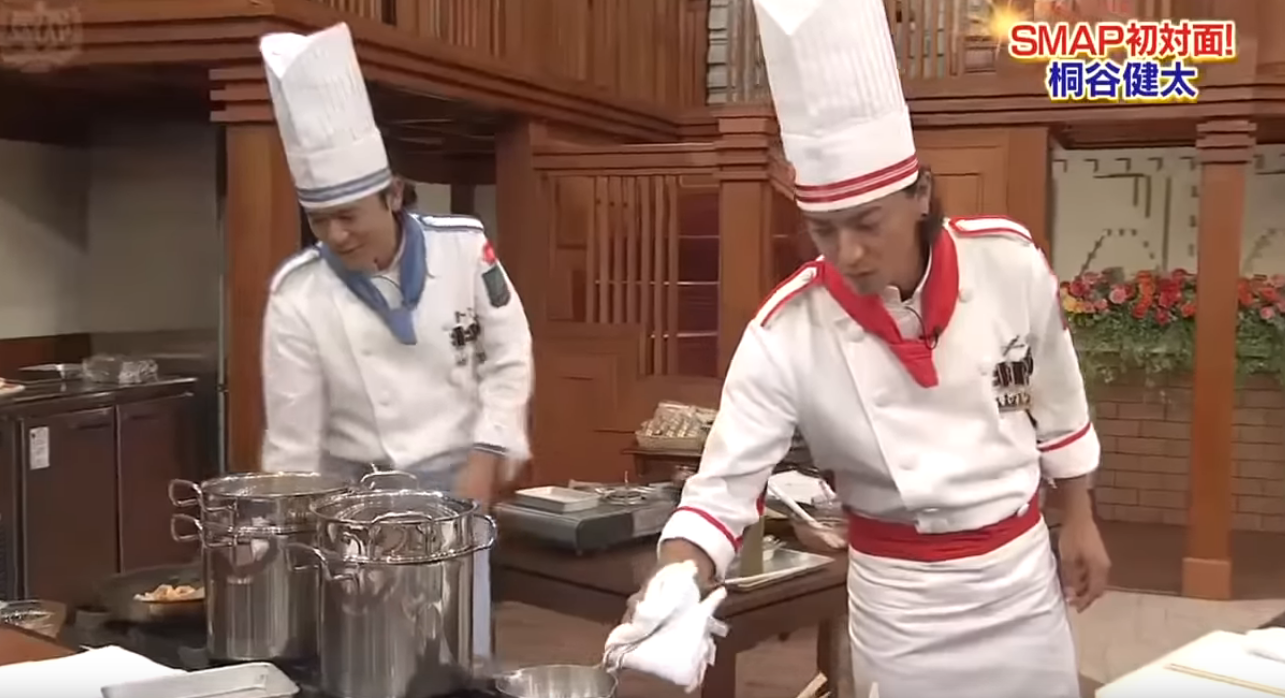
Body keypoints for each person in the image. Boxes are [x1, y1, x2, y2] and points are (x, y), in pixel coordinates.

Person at [640, 1, 1110, 696]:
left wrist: (1078, 519)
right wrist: (674, 583)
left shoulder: (1007, 265)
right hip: (900, 604)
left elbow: (1058, 401)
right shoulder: (785, 333)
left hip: (1018, 583)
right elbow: (720, 493)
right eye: (822, 232)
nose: (848, 254)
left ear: (919, 195)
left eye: (866, 224)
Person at [255, 23, 534, 660]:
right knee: (368, 656)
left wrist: (487, 456)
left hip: (458, 487)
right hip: (352, 507)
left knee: (459, 653)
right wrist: (288, 547)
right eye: (319, 220)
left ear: (395, 195)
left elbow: (510, 354)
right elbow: (293, 444)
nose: (336, 235)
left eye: (349, 215)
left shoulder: (463, 249)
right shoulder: (297, 295)